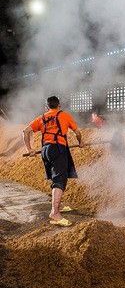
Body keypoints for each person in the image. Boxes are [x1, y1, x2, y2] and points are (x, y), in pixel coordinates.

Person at [23, 96, 85, 227]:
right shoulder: (65, 116)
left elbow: (26, 131)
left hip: (46, 150)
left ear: (47, 107)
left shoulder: (42, 118)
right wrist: (81, 143)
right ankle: (55, 213)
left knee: (55, 176)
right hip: (58, 150)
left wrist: (30, 149)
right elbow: (77, 132)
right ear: (59, 105)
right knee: (59, 180)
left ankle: (59, 205)